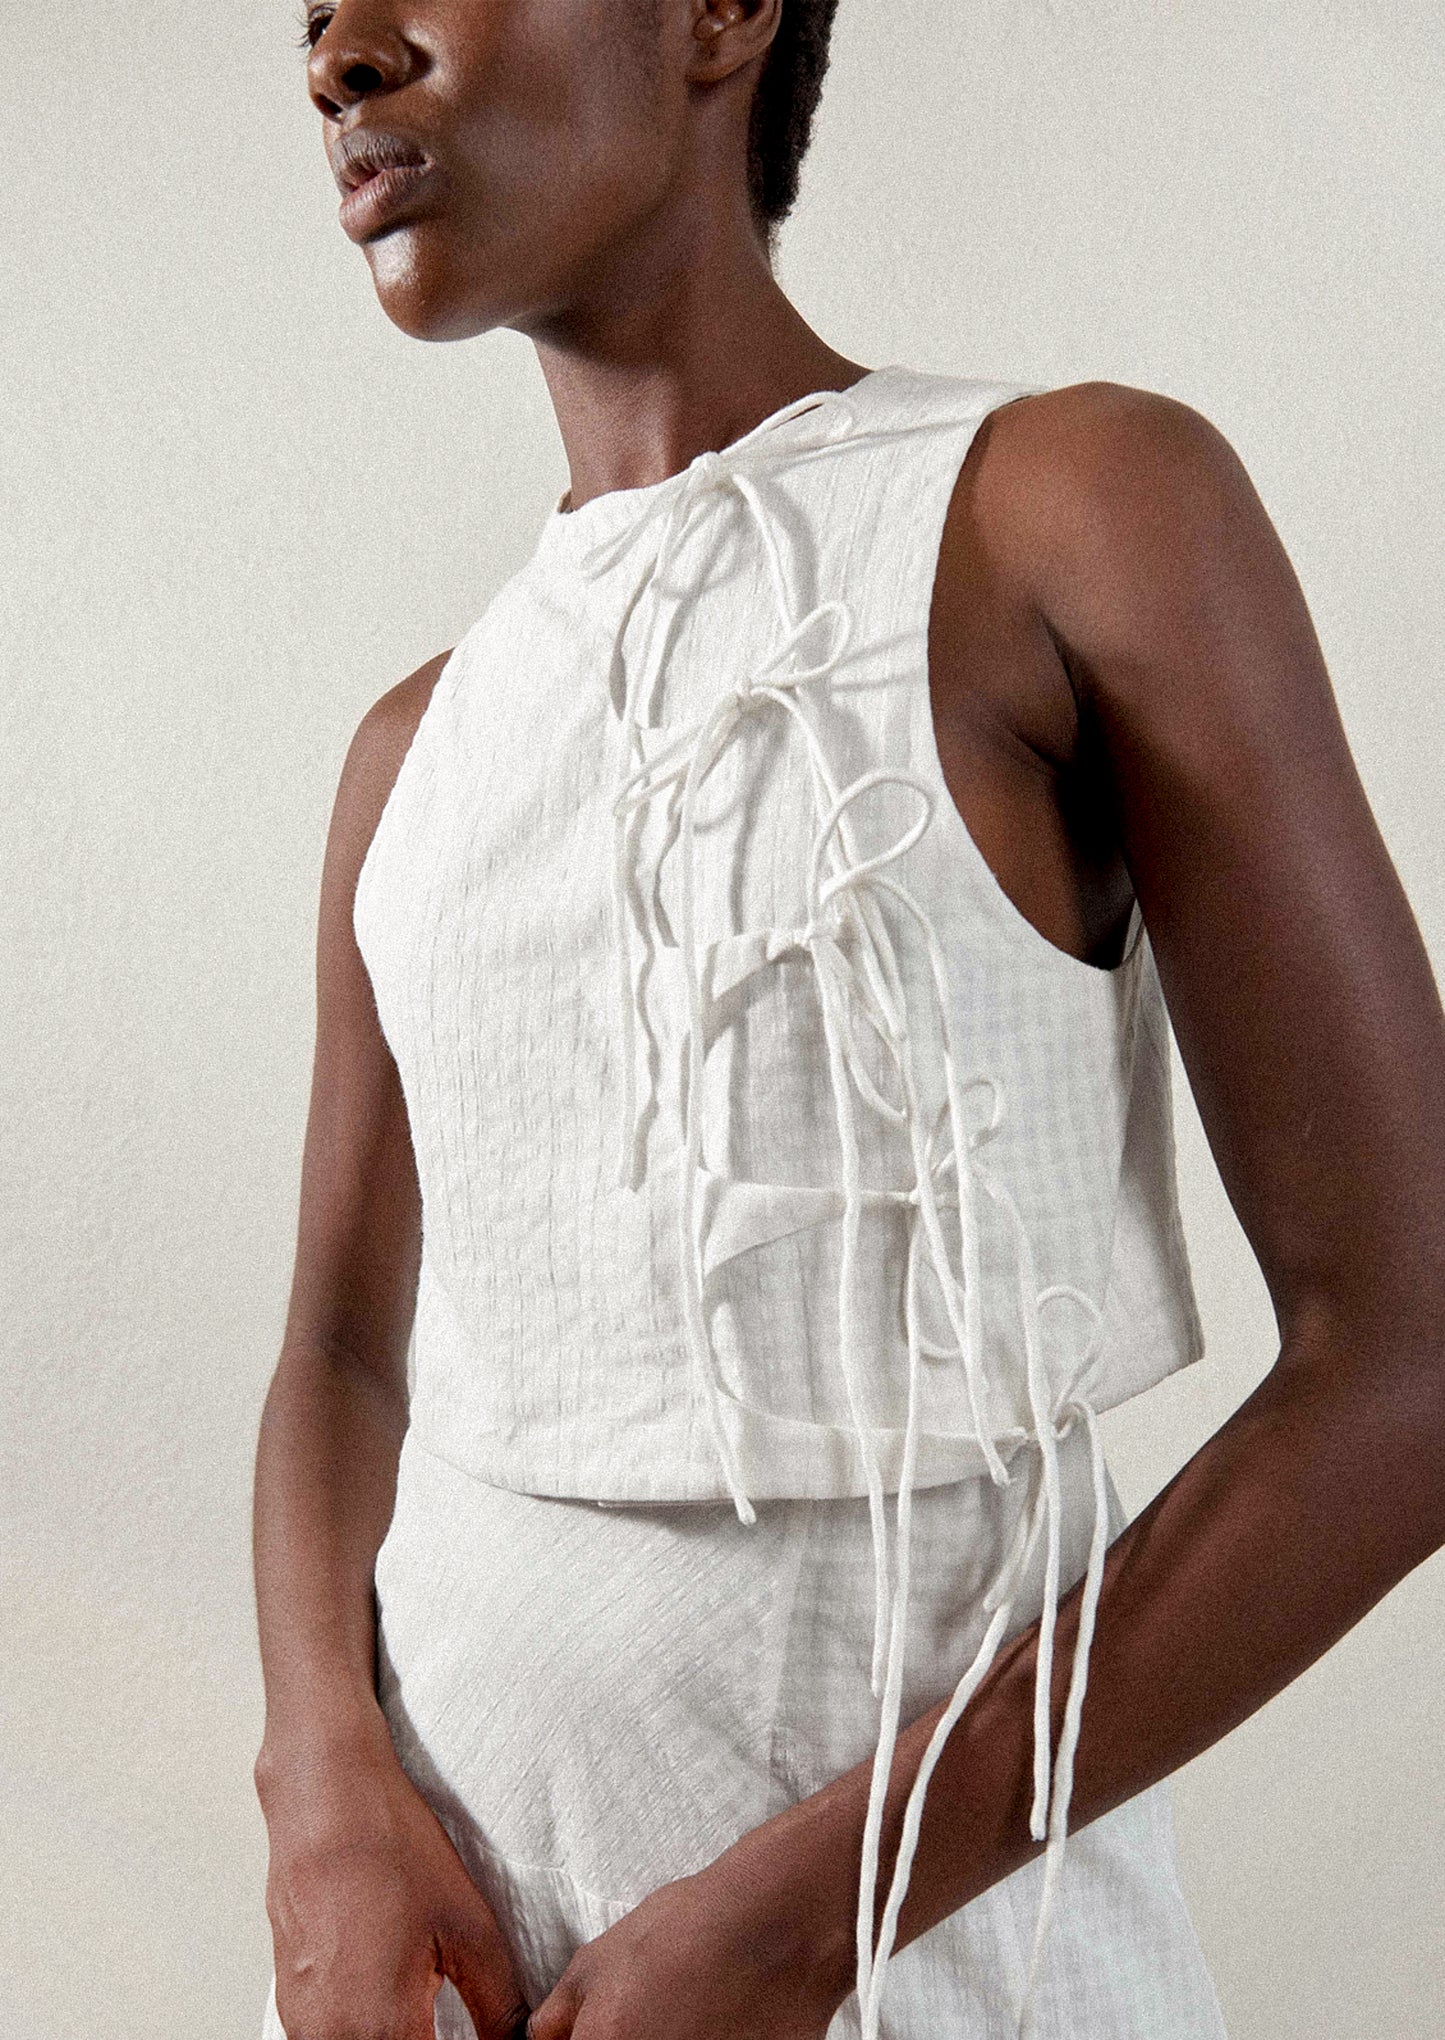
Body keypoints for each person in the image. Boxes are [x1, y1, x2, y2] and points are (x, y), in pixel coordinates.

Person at [250, 4, 1445, 2038]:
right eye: (306, 11)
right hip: (448, 1963)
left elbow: (1410, 1365)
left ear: (722, 12)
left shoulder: (1070, 510)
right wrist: (324, 1795)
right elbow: (347, 1356)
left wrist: (813, 1915)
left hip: (923, 1960)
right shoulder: (410, 754)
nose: (340, 53)